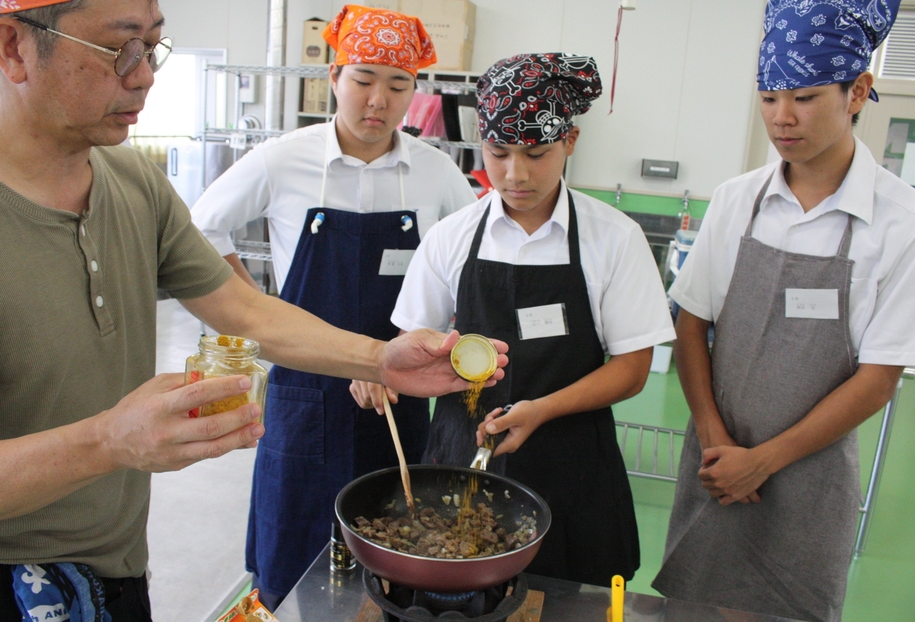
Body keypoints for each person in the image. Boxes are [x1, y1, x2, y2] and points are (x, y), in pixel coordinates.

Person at [0, 1, 506, 619]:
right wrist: (108, 441)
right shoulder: (284, 159)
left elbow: (247, 312)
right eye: (119, 48)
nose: (146, 74)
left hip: (117, 567)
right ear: (14, 47)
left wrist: (381, 359)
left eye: (153, 47)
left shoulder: (134, 184)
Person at [352, 53, 677, 586]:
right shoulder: (452, 235)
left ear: (570, 141)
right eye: (498, 153)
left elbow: (633, 368)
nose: (515, 173)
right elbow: (409, 341)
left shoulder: (613, 238)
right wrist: (376, 372)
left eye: (536, 153)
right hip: (459, 465)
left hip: (572, 470)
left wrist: (541, 411)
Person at [190, 4, 477, 606]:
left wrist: (420, 343)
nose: (378, 100)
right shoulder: (283, 159)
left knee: (392, 544)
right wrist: (250, 303)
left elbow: (464, 263)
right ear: (333, 81)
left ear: (413, 92)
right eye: (363, 80)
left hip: (399, 394)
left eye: (398, 85)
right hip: (304, 392)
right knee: (293, 543)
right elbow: (198, 231)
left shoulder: (435, 173)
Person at [652, 2, 915, 620]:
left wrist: (764, 461)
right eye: (769, 97)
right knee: (697, 606)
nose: (782, 118)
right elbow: (692, 322)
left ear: (859, 91)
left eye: (805, 97)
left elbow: (879, 377)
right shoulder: (737, 200)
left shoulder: (899, 221)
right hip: (716, 462)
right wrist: (718, 443)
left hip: (809, 476)